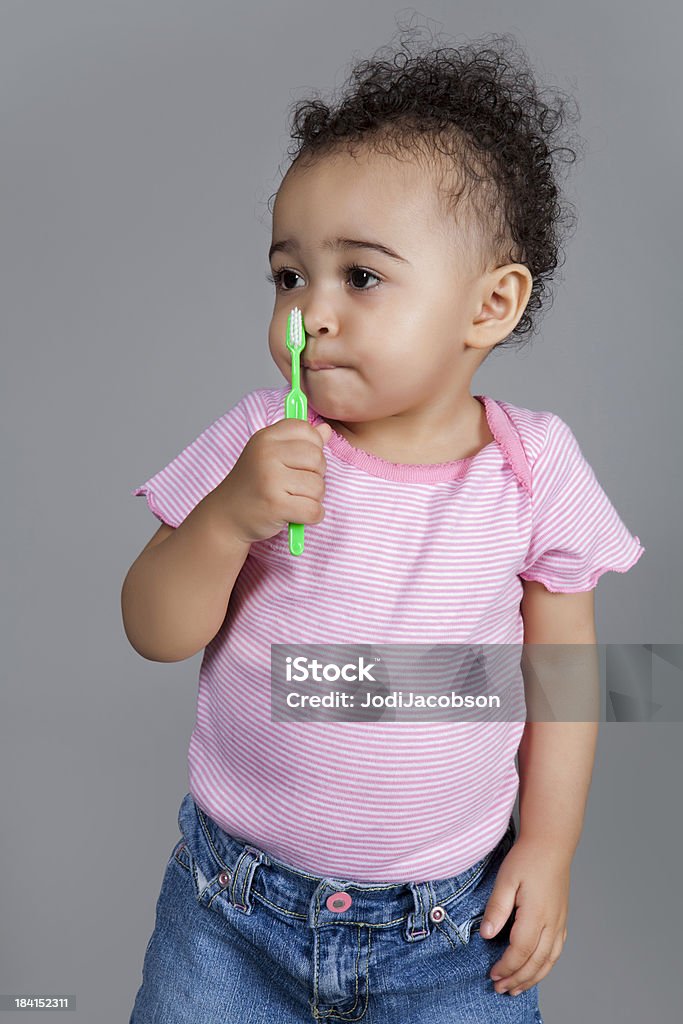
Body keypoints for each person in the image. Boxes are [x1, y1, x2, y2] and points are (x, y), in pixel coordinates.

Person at [123, 21, 644, 1024]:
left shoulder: (533, 471)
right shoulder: (258, 436)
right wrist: (228, 515)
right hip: (228, 913)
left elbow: (563, 677)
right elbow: (151, 627)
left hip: (446, 934)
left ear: (487, 306)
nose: (308, 313)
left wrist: (545, 846)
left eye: (359, 277)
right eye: (288, 275)